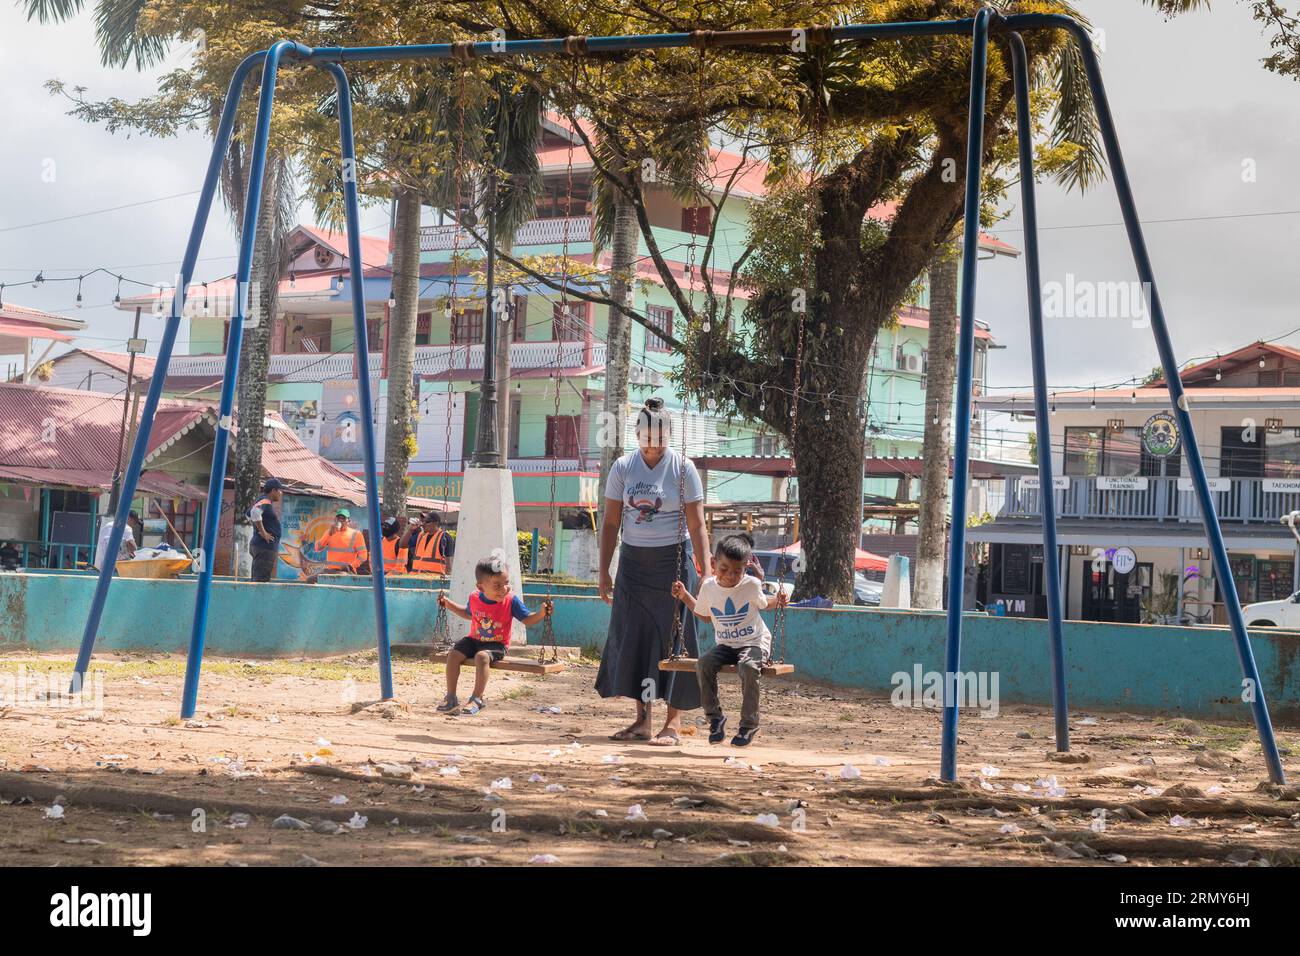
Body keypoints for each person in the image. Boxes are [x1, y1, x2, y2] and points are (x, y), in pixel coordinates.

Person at [596, 397, 710, 746]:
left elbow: (697, 525)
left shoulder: (682, 468)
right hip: (633, 564)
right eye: (647, 436)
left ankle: (672, 724)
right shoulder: (623, 468)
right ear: (637, 435)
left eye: (660, 436)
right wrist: (604, 571)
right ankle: (642, 721)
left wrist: (705, 573)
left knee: (676, 639)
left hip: (673, 563)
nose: (654, 443)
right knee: (636, 637)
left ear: (669, 435)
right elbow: (612, 522)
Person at [673, 534, 787, 747]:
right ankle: (715, 718)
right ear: (714, 564)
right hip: (726, 646)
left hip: (754, 642)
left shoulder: (751, 585)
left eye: (737, 571)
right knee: (703, 663)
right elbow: (705, 616)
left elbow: (765, 604)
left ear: (745, 568)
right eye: (724, 569)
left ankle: (749, 724)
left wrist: (778, 600)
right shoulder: (708, 587)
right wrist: (685, 596)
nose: (730, 576)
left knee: (748, 666)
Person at [434, 551, 553, 716]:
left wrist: (541, 613)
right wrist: (447, 604)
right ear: (480, 587)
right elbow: (469, 614)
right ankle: (451, 697)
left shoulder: (511, 600)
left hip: (497, 644)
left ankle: (477, 698)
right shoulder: (474, 597)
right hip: (474, 639)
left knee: (482, 657)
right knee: (453, 655)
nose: (504, 589)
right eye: (497, 585)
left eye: (506, 583)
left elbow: (527, 619)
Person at [249, 478, 284, 583]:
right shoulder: (264, 501)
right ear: (273, 490)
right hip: (264, 548)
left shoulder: (263, 501)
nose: (281, 494)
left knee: (259, 579)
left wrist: (258, 529)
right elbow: (254, 512)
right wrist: (263, 532)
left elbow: (248, 514)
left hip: (262, 547)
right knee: (260, 582)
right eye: (280, 490)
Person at [316, 508, 367, 574]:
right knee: (310, 580)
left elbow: (363, 555)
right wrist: (329, 534)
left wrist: (352, 566)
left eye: (343, 519)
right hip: (330, 571)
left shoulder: (356, 534)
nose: (340, 521)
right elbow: (317, 548)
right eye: (338, 518)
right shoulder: (329, 532)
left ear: (348, 521)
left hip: (347, 571)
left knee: (341, 575)